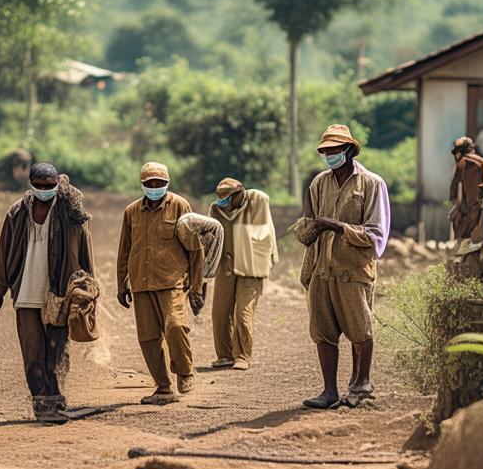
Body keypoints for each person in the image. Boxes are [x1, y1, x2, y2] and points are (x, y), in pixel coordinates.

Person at [0, 162, 96, 424]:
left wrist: (88, 288)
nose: (44, 190)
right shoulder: (17, 213)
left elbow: (85, 251)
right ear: (31, 184)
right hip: (26, 292)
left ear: (56, 184)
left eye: (49, 186)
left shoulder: (71, 212)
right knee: (32, 353)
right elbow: (3, 251)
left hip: (59, 293)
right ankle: (41, 404)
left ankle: (56, 399)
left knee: (55, 352)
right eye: (38, 186)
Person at [295, 124, 390, 410]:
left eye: (334, 150)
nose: (329, 155)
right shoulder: (318, 183)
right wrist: (308, 236)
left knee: (360, 329)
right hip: (322, 268)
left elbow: (376, 234)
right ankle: (329, 391)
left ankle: (362, 384)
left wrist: (335, 226)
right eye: (325, 151)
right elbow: (309, 224)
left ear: (349, 150)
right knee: (322, 330)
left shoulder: (371, 183)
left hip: (354, 270)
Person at [116, 162, 205, 405]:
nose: (155, 187)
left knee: (176, 326)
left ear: (167, 184)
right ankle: (163, 387)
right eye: (150, 183)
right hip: (141, 282)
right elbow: (125, 250)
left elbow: (195, 249)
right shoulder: (131, 212)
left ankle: (185, 372)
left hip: (172, 281)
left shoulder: (180, 206)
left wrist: (196, 285)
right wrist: (121, 284)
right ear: (142, 184)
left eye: (160, 183)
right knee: (148, 337)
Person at [208, 178, 279, 370]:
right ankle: (224, 355)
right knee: (220, 312)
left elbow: (266, 234)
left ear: (240, 193)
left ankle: (242, 356)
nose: (226, 203)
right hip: (226, 264)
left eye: (229, 198)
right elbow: (211, 238)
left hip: (252, 265)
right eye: (222, 199)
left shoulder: (257, 201)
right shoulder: (216, 209)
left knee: (243, 312)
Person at [448, 136, 483, 241]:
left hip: (477, 224)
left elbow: (475, 204)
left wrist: (467, 230)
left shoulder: (469, 165)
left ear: (458, 153)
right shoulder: (480, 162)